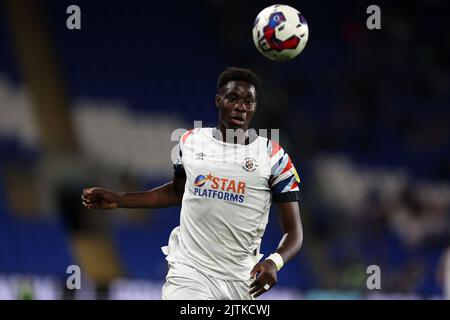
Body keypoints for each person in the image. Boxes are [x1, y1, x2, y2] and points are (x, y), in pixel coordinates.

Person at [81, 67, 303, 300]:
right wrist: (119, 200)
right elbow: (177, 192)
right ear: (218, 100)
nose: (240, 107)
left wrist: (274, 262)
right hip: (190, 271)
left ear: (255, 107)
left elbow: (294, 232)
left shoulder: (274, 156)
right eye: (232, 98)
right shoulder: (190, 141)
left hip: (241, 279)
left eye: (249, 101)